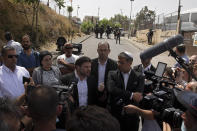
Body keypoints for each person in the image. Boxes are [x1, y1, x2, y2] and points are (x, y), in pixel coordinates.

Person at [107, 51, 144, 131]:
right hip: (114, 116)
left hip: (131, 119)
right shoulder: (112, 74)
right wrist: (131, 95)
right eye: (118, 61)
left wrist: (122, 93)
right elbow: (112, 89)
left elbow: (137, 97)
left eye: (121, 62)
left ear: (130, 63)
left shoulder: (139, 77)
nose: (118, 64)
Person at [91, 41, 117, 107]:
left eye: (105, 50)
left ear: (109, 51)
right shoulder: (91, 63)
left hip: (108, 97)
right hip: (93, 95)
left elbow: (115, 82)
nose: (103, 52)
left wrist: (105, 92)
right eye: (101, 50)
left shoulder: (114, 65)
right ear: (97, 50)